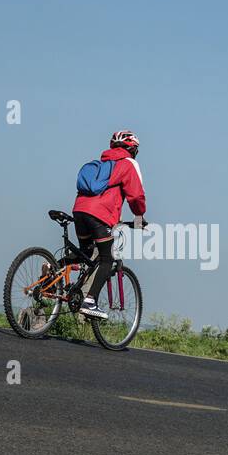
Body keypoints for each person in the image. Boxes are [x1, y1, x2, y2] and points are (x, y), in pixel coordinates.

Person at [72, 129, 146, 319]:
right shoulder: (128, 164)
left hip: (79, 209)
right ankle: (90, 301)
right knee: (108, 258)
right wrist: (139, 216)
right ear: (133, 149)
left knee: (86, 253)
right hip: (100, 215)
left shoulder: (102, 163)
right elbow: (136, 195)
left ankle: (54, 270)